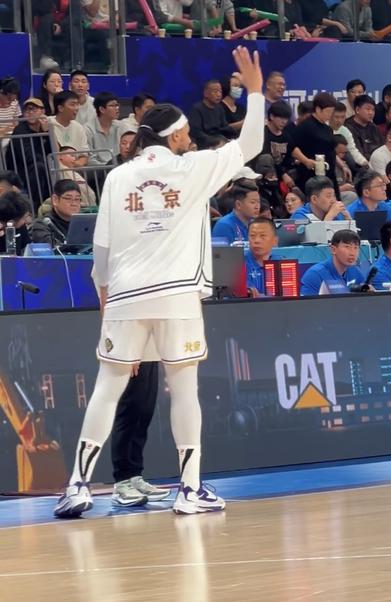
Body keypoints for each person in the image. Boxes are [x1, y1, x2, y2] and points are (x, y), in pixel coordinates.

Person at [53, 46, 265, 518]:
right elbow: (250, 143)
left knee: (107, 387)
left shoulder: (117, 177)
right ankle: (189, 489)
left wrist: (107, 310)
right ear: (174, 137)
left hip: (124, 297)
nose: (190, 139)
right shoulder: (192, 168)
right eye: (186, 133)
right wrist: (254, 92)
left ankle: (77, 485)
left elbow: (101, 254)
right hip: (176, 296)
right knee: (184, 390)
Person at [109, 362, 171, 506]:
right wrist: (131, 353)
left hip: (150, 356)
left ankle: (134, 477)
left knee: (144, 413)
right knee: (128, 412)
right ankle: (122, 482)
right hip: (131, 354)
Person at [300, 229, 365, 295]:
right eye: (347, 247)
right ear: (333, 250)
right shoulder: (315, 274)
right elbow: (307, 301)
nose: (352, 253)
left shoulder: (355, 272)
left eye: (356, 247)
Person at [30, 179, 82, 246]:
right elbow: (49, 249)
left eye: (77, 199)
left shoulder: (83, 223)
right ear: (55, 200)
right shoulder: (41, 225)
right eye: (68, 198)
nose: (74, 203)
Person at [187, 79, 232, 149]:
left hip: (221, 141)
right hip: (204, 145)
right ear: (206, 93)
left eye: (220, 91)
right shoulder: (196, 109)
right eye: (215, 91)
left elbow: (225, 127)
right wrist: (216, 142)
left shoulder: (219, 108)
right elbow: (196, 133)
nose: (219, 94)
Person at [85, 91, 125, 164]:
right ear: (101, 109)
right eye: (112, 106)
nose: (117, 108)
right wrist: (107, 168)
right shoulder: (88, 129)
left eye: (117, 105)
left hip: (119, 167)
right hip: (98, 169)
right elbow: (90, 159)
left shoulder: (121, 126)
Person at [345, 95, 385, 161]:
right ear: (357, 110)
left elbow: (383, 147)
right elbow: (357, 153)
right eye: (368, 109)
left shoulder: (373, 127)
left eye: (373, 110)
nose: (371, 113)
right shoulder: (348, 127)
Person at [245, 217, 278, 296]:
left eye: (263, 236)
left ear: (275, 241)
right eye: (252, 236)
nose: (257, 240)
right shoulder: (238, 265)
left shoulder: (282, 263)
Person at [0, 189, 31, 255]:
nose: (27, 221)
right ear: (11, 222)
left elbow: (28, 251)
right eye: (24, 218)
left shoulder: (21, 228)